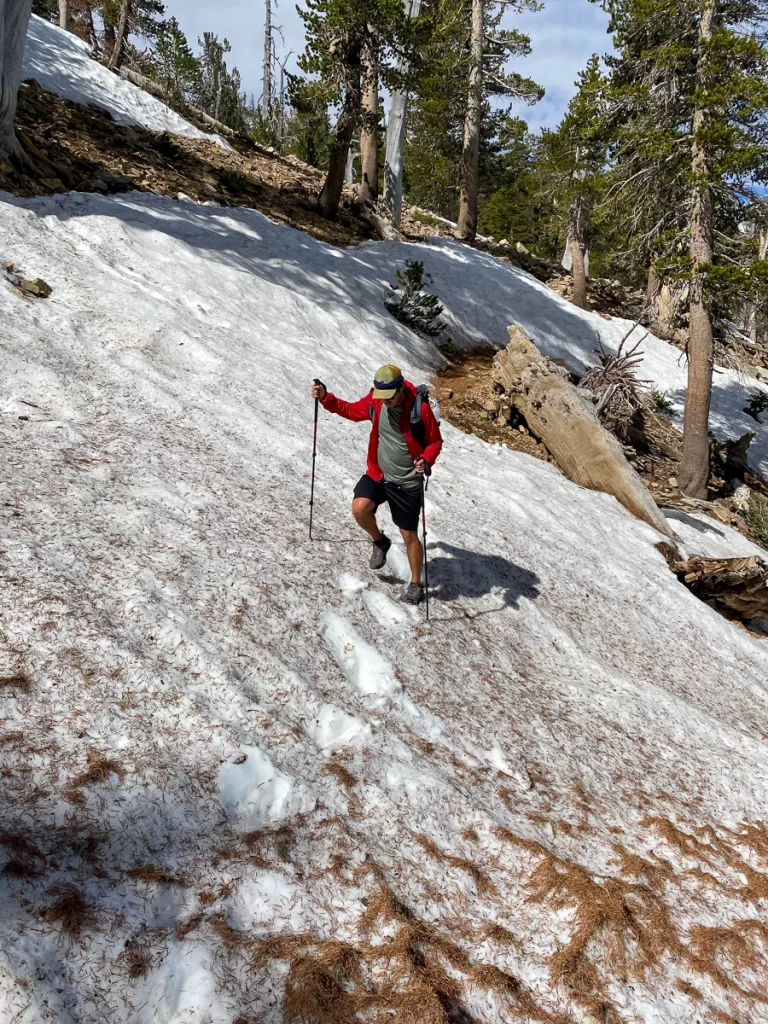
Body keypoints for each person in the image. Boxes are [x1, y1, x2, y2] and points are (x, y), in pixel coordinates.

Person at [311, 364, 442, 605]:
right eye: (382, 396)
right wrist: (326, 398)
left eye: (390, 397)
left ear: (401, 388)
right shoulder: (377, 401)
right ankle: (380, 541)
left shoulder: (419, 410)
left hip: (406, 481)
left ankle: (415, 584)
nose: (386, 402)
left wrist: (426, 459)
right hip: (379, 474)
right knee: (359, 508)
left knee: (409, 535)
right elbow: (350, 410)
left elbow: (435, 442)